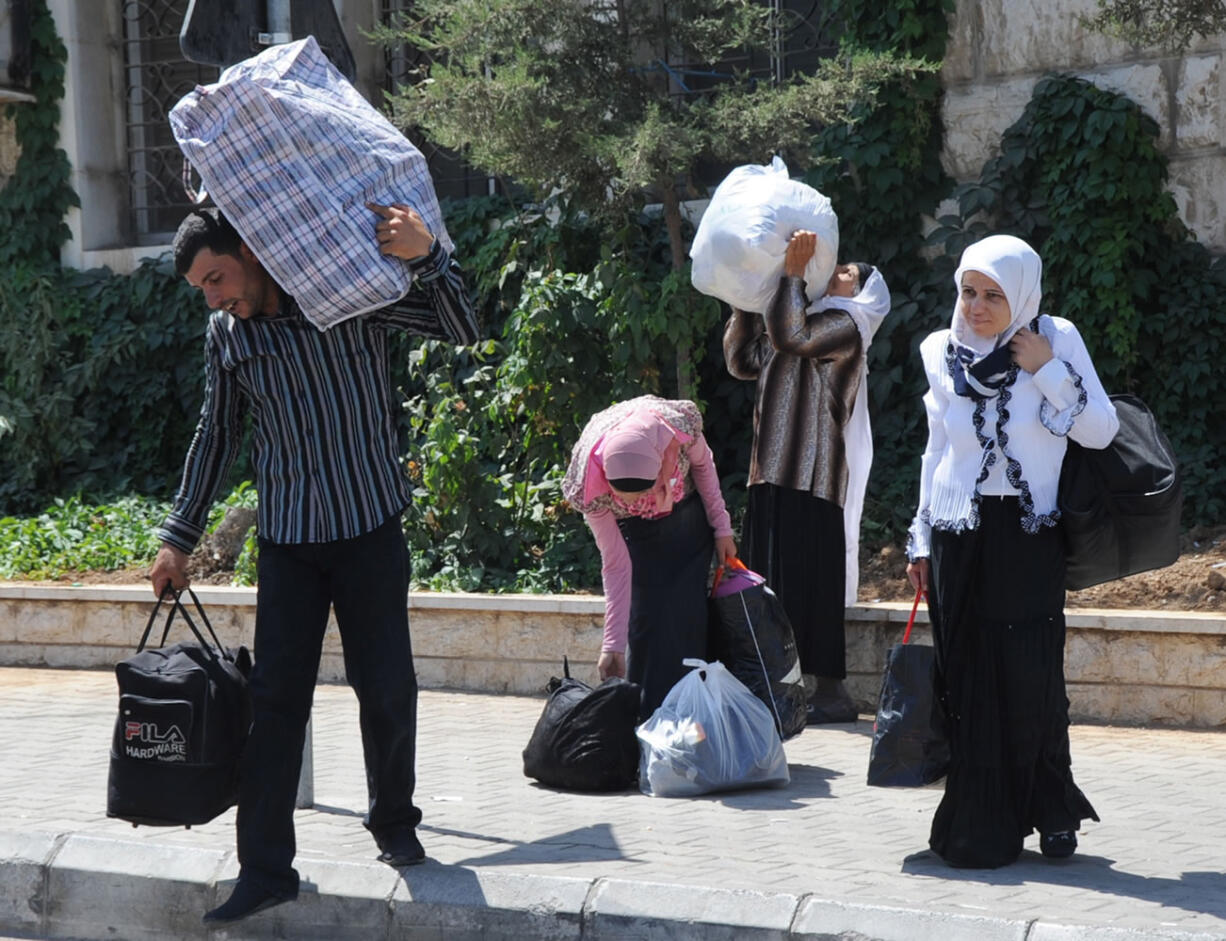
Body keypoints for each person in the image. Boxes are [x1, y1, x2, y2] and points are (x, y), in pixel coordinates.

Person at [149, 203, 478, 924]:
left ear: (249, 250)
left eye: (216, 277)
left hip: (368, 528)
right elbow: (216, 435)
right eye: (201, 288)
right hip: (290, 542)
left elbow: (463, 327)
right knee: (274, 707)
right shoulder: (227, 336)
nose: (213, 297)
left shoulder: (345, 294)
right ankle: (265, 867)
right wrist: (179, 536)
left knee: (387, 688)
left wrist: (426, 258)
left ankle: (394, 820)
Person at [905, 233, 1118, 868]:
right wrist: (920, 536)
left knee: (1031, 678)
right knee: (966, 678)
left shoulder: (1055, 337)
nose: (976, 305)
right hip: (956, 532)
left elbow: (1101, 430)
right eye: (968, 291)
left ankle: (1051, 812)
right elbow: (936, 449)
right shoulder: (940, 350)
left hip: (1027, 534)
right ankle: (980, 820)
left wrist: (1046, 367)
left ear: (1020, 295)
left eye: (993, 294)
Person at [724, 231, 891, 723]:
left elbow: (790, 339)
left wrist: (793, 275)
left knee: (809, 581)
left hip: (813, 474)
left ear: (861, 292)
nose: (837, 270)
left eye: (849, 273)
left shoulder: (848, 325)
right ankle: (775, 682)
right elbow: (742, 361)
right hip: (770, 471)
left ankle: (831, 691)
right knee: (769, 581)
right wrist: (746, 302)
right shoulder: (796, 316)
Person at [561, 395, 737, 718]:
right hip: (637, 538)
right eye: (624, 499)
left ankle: (692, 725)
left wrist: (722, 528)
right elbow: (616, 563)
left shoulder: (677, 430)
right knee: (644, 627)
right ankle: (647, 730)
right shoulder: (591, 484)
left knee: (687, 624)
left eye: (644, 494)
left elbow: (704, 466)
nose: (638, 503)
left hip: (687, 522)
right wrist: (612, 646)